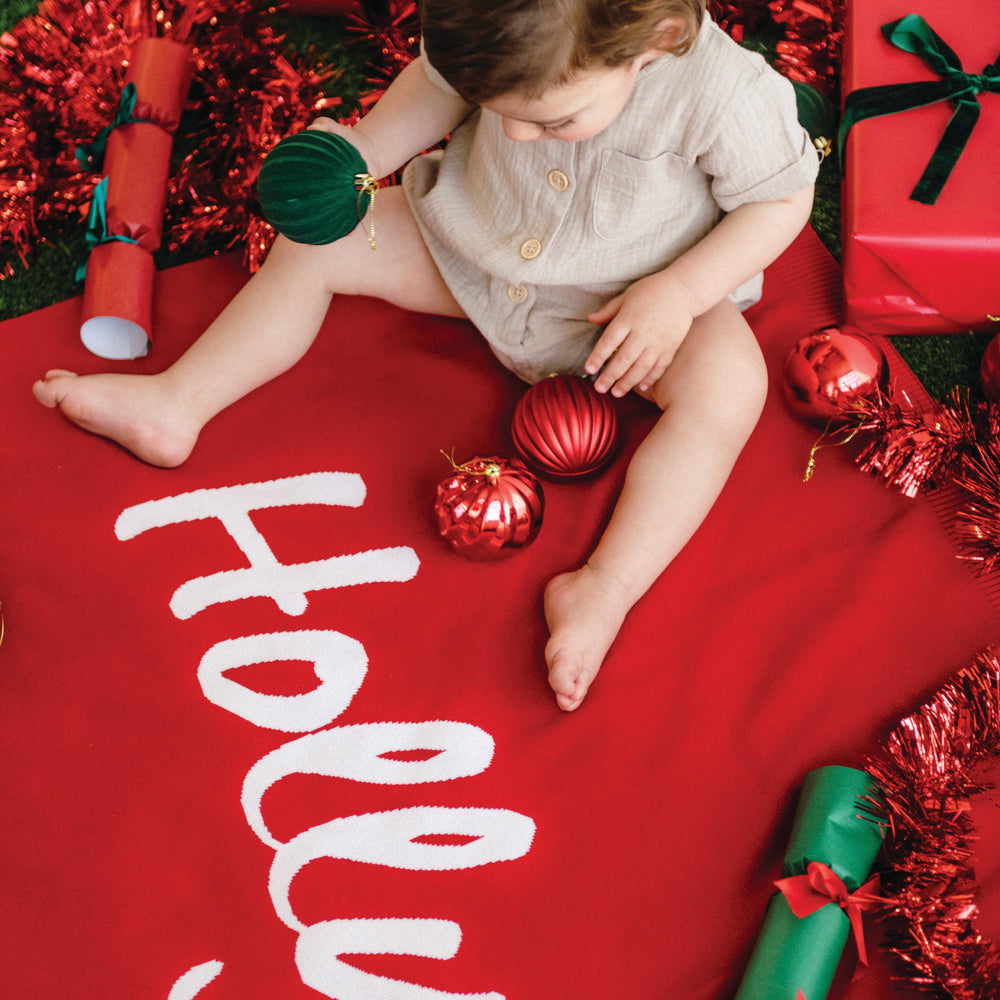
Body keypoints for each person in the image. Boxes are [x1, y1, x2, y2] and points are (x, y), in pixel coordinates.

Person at [33, 0, 818, 712]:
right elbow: (438, 83)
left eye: (550, 121)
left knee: (728, 386)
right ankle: (178, 403)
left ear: (659, 39)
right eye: (501, 113)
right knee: (319, 248)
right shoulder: (503, 29)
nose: (514, 133)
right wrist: (366, 149)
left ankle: (604, 587)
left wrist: (681, 292)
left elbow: (779, 199)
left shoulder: (726, 92)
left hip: (626, 307)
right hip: (470, 248)